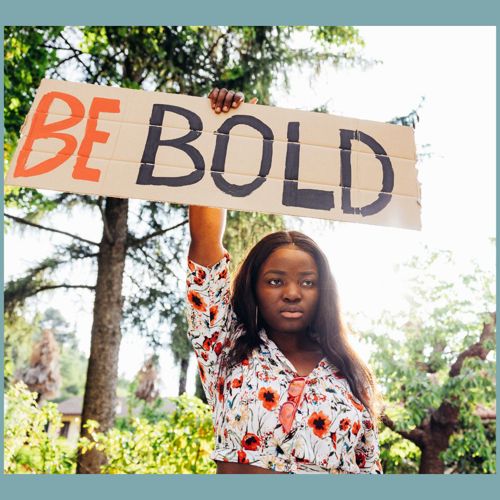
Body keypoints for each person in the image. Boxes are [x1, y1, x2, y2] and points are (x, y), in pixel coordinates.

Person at [185, 88, 383, 474]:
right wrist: (225, 136)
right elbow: (205, 243)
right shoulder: (225, 350)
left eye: (307, 282)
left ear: (324, 292)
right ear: (254, 289)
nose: (292, 293)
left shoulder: (350, 374)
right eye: (275, 281)